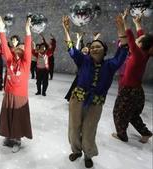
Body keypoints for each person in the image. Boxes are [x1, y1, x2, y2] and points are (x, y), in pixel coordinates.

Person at [62, 13, 128, 168]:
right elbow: (71, 49)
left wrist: (121, 29)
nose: (94, 48)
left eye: (98, 46)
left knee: (89, 131)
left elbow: (124, 50)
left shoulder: (110, 65)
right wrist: (66, 30)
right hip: (77, 99)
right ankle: (76, 151)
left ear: (104, 50)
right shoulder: (83, 60)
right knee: (73, 128)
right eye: (92, 46)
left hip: (95, 104)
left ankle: (88, 154)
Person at [112, 10, 153, 144]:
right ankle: (145, 133)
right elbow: (140, 36)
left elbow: (129, 37)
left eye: (139, 40)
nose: (137, 38)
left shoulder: (138, 54)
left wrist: (124, 22)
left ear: (141, 44)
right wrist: (138, 24)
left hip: (129, 91)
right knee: (133, 115)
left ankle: (122, 135)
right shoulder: (144, 54)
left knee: (118, 113)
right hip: (136, 91)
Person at [0, 16, 33, 153]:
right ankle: (8, 136)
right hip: (9, 93)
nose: (21, 49)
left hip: (20, 96)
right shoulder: (10, 60)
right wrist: (1, 30)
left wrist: (28, 31)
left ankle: (17, 139)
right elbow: (5, 47)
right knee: (7, 115)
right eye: (19, 48)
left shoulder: (26, 63)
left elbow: (28, 45)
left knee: (18, 117)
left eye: (23, 48)